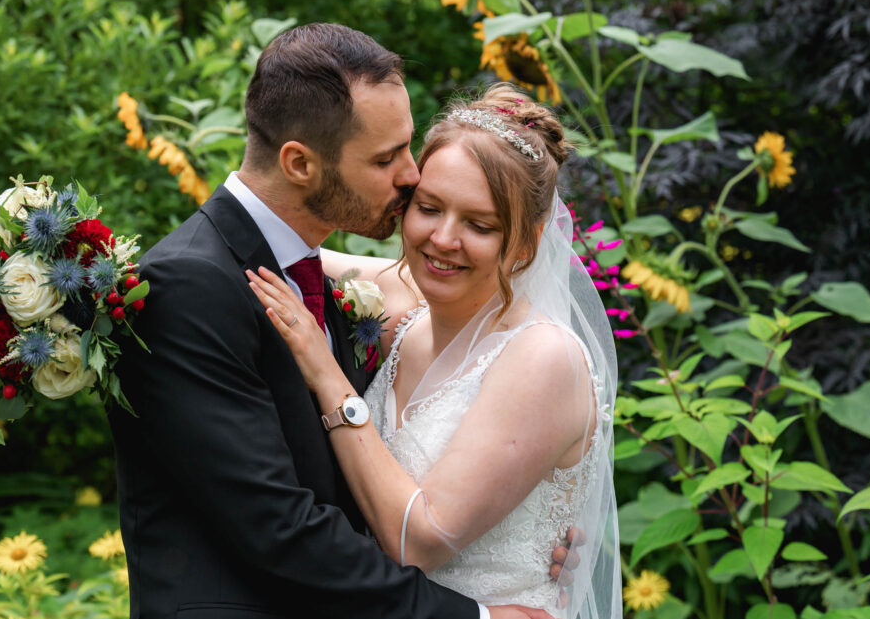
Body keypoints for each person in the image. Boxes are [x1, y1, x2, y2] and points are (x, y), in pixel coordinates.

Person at [110, 24, 559, 619]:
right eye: (385, 158)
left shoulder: (309, 272)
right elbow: (280, 530)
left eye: (407, 147)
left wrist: (517, 534)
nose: (411, 175)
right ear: (299, 162)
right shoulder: (188, 287)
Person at [247, 84, 622, 619]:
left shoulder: (543, 358)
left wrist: (328, 375)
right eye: (429, 207)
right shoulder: (404, 301)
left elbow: (416, 543)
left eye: (480, 224)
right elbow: (272, 244)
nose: (443, 239)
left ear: (528, 242)